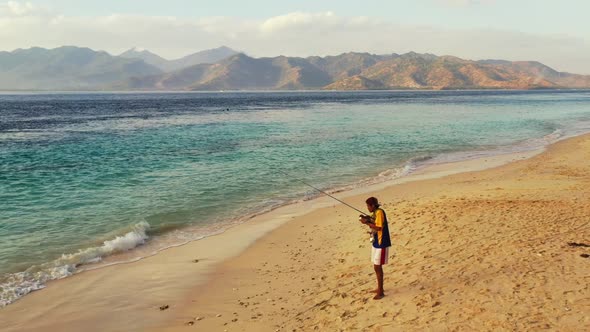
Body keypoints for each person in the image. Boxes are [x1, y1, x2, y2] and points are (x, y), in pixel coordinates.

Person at [359, 196, 391, 300]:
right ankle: (379, 288)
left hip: (382, 242)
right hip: (376, 241)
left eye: (368, 206)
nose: (367, 208)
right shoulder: (375, 213)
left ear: (372, 205)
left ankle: (381, 292)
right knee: (375, 266)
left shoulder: (380, 212)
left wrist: (366, 222)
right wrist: (367, 219)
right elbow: (374, 223)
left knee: (378, 267)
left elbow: (379, 227)